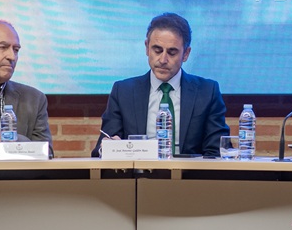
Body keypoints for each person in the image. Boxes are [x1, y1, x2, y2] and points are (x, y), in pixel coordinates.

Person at [97, 13, 228, 156]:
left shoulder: (207, 92)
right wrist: (108, 147)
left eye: (172, 52)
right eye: (157, 50)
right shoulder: (123, 92)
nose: (163, 60)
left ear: (186, 54)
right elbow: (101, 150)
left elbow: (217, 152)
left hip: (189, 170)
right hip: (139, 170)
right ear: (147, 48)